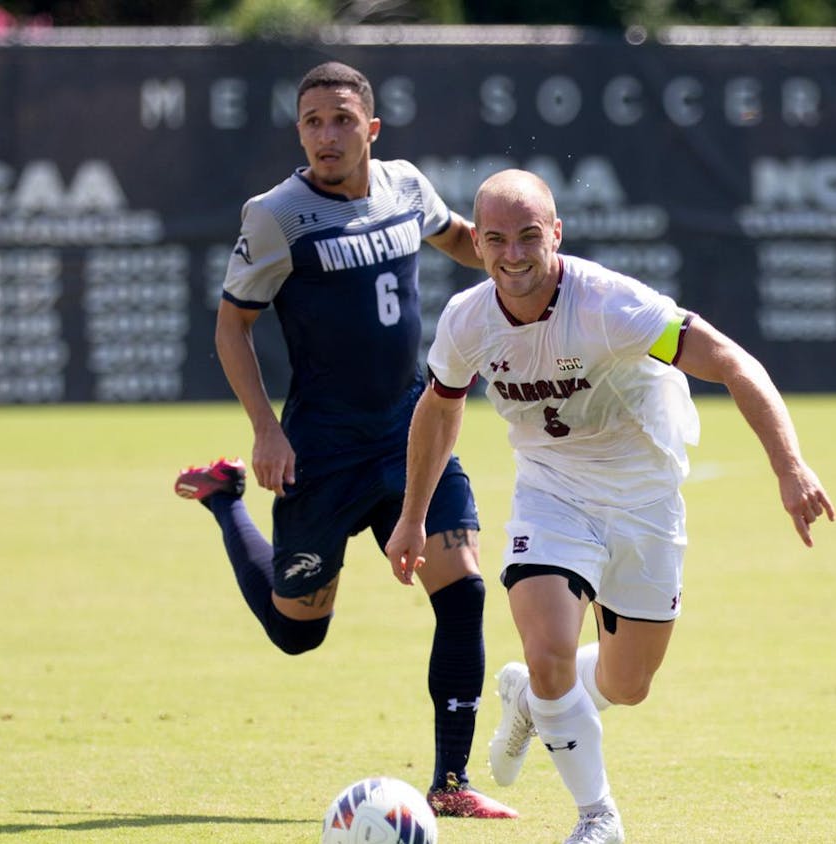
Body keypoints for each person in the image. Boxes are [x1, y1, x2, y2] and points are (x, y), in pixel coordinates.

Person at [383, 169, 836, 844]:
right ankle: (598, 817)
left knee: (629, 684)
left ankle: (531, 700)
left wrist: (789, 464)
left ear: (556, 234)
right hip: (551, 492)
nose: (514, 255)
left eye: (530, 236)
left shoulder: (610, 306)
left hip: (645, 497)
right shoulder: (467, 322)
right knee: (550, 648)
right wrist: (413, 514)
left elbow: (734, 364)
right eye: (498, 240)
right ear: (477, 245)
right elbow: (439, 411)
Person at [173, 62, 516, 820]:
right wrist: (266, 431)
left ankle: (450, 785)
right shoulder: (275, 214)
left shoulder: (404, 185)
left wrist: (513, 258)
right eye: (311, 122)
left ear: (372, 128)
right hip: (322, 446)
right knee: (300, 635)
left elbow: (459, 238)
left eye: (340, 119)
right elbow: (233, 325)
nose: (326, 136)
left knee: (462, 594)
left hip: (410, 427)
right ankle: (224, 499)